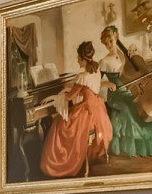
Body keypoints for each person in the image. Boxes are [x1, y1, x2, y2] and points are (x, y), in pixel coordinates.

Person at [98, 23, 152, 159]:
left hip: (128, 90)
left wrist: (134, 50)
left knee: (136, 104)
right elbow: (97, 81)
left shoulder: (126, 54)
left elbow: (139, 68)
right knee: (128, 107)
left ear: (116, 37)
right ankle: (138, 143)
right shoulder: (104, 61)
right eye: (106, 43)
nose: (109, 45)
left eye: (111, 41)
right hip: (116, 94)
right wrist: (107, 83)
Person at [39, 42, 114, 178]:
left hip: (87, 111)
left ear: (83, 59)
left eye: (78, 58)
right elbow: (90, 88)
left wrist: (53, 97)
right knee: (63, 120)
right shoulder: (96, 71)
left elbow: (69, 97)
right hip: (97, 109)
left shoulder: (82, 76)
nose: (77, 61)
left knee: (59, 123)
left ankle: (59, 162)